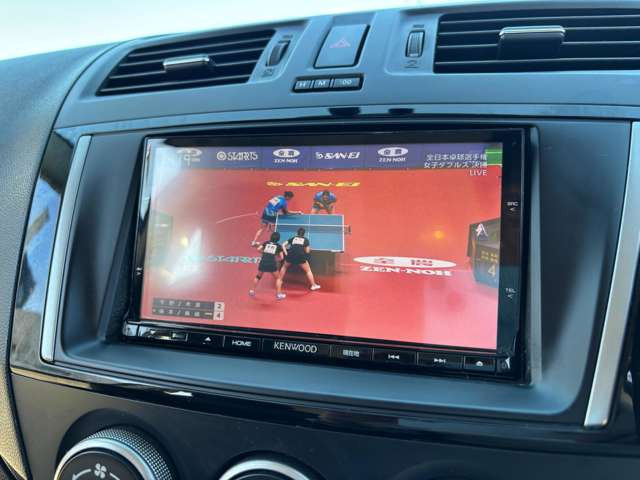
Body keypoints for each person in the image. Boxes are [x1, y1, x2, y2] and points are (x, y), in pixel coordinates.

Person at [249, 232, 286, 300]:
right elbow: (281, 258)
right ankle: (279, 294)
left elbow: (258, 249)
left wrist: (264, 253)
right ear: (278, 239)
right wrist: (275, 259)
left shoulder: (266, 243)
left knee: (258, 277)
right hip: (272, 264)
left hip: (263, 262)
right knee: (278, 278)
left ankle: (252, 291)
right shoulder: (279, 246)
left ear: (271, 237)